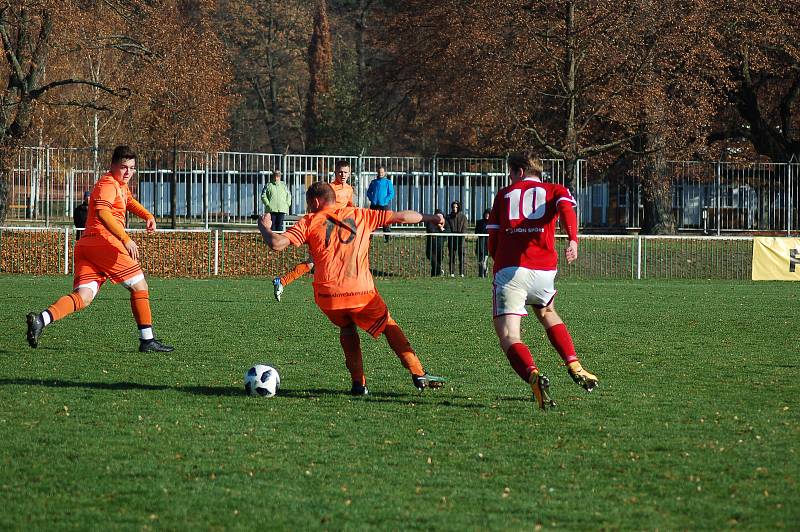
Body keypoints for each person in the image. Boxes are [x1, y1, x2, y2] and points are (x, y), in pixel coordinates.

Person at [257, 181, 446, 395]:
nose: (308, 208)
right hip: (361, 294)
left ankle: (359, 384)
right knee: (387, 325)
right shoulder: (361, 215)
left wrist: (264, 227)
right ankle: (418, 372)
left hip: (328, 297)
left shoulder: (309, 221)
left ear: (316, 201)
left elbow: (277, 243)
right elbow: (402, 217)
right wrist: (433, 217)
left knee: (347, 328)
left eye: (309, 203)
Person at [26, 145, 173, 353]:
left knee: (84, 296)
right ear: (113, 165)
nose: (128, 172)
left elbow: (129, 202)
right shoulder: (108, 184)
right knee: (140, 285)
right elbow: (103, 213)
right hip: (104, 243)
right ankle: (147, 340)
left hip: (87, 246)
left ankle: (41, 320)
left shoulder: (120, 186)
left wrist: (148, 215)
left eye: (132, 168)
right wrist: (125, 238)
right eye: (124, 167)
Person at [487, 151, 597, 410]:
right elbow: (566, 209)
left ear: (520, 171)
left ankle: (533, 375)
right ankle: (574, 364)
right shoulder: (555, 189)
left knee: (509, 335)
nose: (510, 179)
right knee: (547, 312)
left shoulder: (504, 195)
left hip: (511, 271)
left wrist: (498, 259)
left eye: (511, 173)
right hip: (544, 272)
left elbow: (493, 238)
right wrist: (572, 240)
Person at [271, 160, 353, 302]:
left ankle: (282, 281)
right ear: (335, 173)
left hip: (337, 231)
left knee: (314, 262)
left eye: (345, 172)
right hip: (324, 229)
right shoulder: (329, 189)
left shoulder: (349, 189)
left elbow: (350, 206)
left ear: (350, 173)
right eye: (340, 172)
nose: (343, 174)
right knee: (317, 261)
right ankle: (338, 293)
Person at [366, 165, 395, 241]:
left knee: (386, 221)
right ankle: (369, 237)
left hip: (384, 205)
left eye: (382, 172)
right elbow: (368, 192)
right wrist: (372, 199)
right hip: (374, 205)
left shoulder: (388, 182)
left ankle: (387, 237)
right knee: (372, 221)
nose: (380, 173)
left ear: (384, 173)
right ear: (377, 173)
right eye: (379, 172)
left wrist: (385, 200)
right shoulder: (373, 182)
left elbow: (391, 193)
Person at [445, 200, 467, 277]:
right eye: (454, 207)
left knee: (461, 257)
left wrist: (461, 236)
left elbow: (464, 228)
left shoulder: (463, 217)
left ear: (458, 208)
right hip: (452, 240)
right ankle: (452, 273)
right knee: (452, 257)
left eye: (456, 207)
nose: (455, 208)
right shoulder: (448, 217)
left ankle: (462, 273)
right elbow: (447, 227)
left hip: (461, 240)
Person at [425, 208, 445, 277]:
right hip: (431, 248)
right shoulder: (430, 222)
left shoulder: (445, 223)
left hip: (440, 248)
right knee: (435, 263)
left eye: (441, 216)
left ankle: (434, 276)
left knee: (436, 264)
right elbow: (431, 230)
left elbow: (447, 231)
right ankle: (439, 272)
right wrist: (440, 228)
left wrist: (442, 228)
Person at [475, 208, 490, 278]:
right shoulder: (479, 222)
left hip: (488, 244)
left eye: (488, 214)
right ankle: (481, 274)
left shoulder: (492, 223)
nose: (487, 215)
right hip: (480, 243)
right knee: (480, 261)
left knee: (485, 261)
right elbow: (476, 232)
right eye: (486, 213)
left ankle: (485, 273)